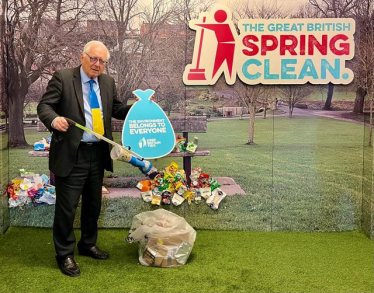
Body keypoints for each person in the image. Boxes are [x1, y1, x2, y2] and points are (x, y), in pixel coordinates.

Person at [37, 40, 131, 277]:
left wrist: (140, 109)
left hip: (98, 153)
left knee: (93, 204)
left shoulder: (108, 83)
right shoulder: (63, 77)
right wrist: (53, 119)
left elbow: (117, 109)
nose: (97, 64)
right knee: (67, 208)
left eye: (102, 61)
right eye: (94, 58)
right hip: (72, 153)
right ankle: (64, 254)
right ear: (82, 57)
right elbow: (45, 106)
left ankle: (88, 244)